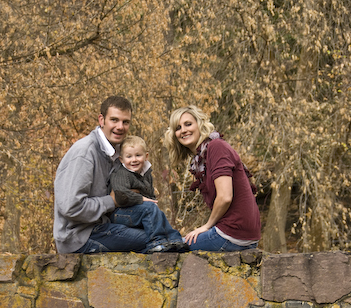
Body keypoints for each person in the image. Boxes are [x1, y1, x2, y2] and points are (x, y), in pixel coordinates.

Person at [53, 96, 148, 254]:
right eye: (114, 120)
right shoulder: (85, 152)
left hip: (105, 226)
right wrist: (112, 201)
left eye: (125, 122)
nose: (120, 127)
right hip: (79, 236)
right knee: (155, 240)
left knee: (159, 231)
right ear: (102, 120)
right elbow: (71, 207)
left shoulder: (120, 153)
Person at [164, 105, 261, 251]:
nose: (183, 130)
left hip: (232, 233)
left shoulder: (216, 147)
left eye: (188, 124)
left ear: (200, 125)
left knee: (164, 248)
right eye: (178, 128)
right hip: (238, 234)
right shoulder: (202, 158)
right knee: (170, 244)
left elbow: (225, 197)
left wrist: (207, 226)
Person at [109, 135, 189, 253]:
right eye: (129, 156)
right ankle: (157, 242)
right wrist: (141, 199)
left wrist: (152, 204)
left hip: (136, 211)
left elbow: (150, 196)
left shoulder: (146, 173)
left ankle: (175, 239)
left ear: (146, 156)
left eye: (138, 155)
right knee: (150, 208)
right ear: (121, 159)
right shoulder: (121, 173)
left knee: (158, 212)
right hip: (119, 214)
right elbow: (121, 195)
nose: (134, 160)